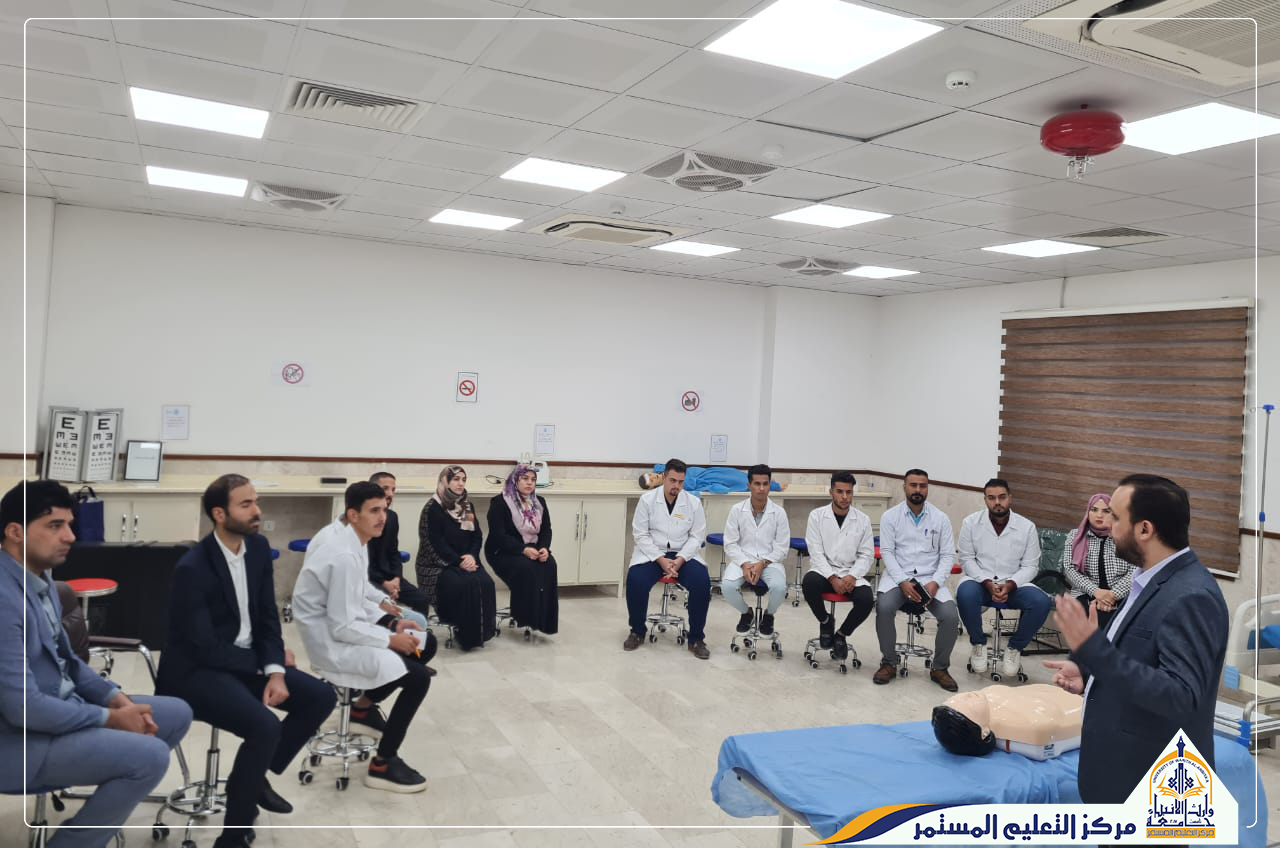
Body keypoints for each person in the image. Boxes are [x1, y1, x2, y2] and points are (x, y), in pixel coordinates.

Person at [0, 481, 192, 848]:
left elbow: (68, 663)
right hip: (17, 741)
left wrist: (115, 699)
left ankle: (101, 816)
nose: (70, 537)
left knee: (175, 713)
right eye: (55, 526)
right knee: (150, 756)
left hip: (56, 713)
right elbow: (22, 708)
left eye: (69, 525)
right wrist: (109, 718)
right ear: (15, 532)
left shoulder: (40, 578)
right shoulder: (4, 599)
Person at [157, 475, 335, 848]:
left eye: (256, 501)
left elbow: (267, 617)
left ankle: (251, 780)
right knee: (264, 727)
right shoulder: (193, 568)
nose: (257, 510)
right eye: (246, 504)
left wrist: (275, 668)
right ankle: (233, 838)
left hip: (243, 660)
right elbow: (205, 648)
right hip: (196, 672)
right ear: (219, 514)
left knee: (320, 697)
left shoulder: (256, 548)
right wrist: (267, 667)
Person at [1045, 474, 1229, 804]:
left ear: (1144, 529)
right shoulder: (1149, 580)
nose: (1107, 525)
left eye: (1116, 517)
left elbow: (1180, 696)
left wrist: (1094, 650)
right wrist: (1091, 673)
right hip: (1120, 776)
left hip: (1156, 789)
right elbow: (1142, 660)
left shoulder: (1190, 595)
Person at [294, 482, 435, 792]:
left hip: (343, 626)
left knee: (423, 645)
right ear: (353, 514)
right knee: (418, 678)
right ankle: (383, 763)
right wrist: (390, 639)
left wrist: (390, 617)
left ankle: (363, 707)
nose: (382, 517)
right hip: (332, 642)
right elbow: (342, 626)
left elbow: (356, 594)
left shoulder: (353, 538)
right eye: (374, 510)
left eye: (384, 509)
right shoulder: (342, 552)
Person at [874, 469, 961, 691]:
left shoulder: (940, 518)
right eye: (913, 485)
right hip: (898, 578)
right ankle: (889, 663)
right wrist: (902, 581)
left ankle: (940, 668)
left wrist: (935, 582)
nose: (918, 490)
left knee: (951, 616)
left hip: (930, 579)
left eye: (922, 486)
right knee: (883, 607)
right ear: (904, 487)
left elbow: (947, 556)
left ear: (927, 488)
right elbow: (887, 552)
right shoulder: (890, 517)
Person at [956, 478, 1048, 679]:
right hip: (980, 582)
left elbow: (1031, 566)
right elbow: (966, 559)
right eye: (991, 498)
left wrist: (1010, 584)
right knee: (965, 594)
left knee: (1041, 602)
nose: (997, 502)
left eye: (1002, 497)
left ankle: (1015, 648)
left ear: (1010, 498)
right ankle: (978, 644)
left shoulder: (1027, 527)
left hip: (1015, 584)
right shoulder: (970, 523)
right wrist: (986, 582)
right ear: (985, 500)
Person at [624, 458, 712, 659]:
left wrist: (680, 559)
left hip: (683, 554)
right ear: (663, 478)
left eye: (680, 482)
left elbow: (697, 537)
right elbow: (640, 534)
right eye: (672, 481)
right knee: (636, 580)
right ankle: (637, 631)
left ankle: (696, 638)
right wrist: (660, 559)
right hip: (652, 553)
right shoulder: (647, 500)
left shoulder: (693, 503)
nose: (676, 486)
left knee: (701, 582)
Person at [801, 471, 875, 661]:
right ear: (831, 492)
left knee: (867, 599)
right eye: (840, 491)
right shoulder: (817, 516)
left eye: (848, 492)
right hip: (824, 572)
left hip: (851, 573)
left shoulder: (863, 520)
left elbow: (866, 554)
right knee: (809, 583)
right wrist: (832, 578)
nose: (844, 497)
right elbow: (816, 552)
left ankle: (841, 634)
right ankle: (826, 621)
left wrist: (852, 576)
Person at [422, 465, 496, 651]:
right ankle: (464, 634)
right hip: (439, 563)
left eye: (463, 479)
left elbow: (476, 536)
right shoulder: (433, 508)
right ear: (445, 481)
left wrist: (471, 556)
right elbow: (435, 543)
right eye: (455, 479)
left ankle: (482, 634)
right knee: (464, 584)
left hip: (467, 560)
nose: (460, 483)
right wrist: (459, 561)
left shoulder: (465, 506)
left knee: (486, 583)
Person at [485, 464, 559, 636]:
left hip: (532, 547)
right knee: (527, 568)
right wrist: (522, 550)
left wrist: (544, 548)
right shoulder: (500, 502)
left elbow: (546, 530)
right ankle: (526, 617)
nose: (530, 483)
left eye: (533, 479)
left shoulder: (539, 503)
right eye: (525, 479)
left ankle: (544, 621)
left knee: (550, 564)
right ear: (515, 480)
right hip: (502, 551)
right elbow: (498, 535)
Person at [721, 464, 789, 636]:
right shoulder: (737, 510)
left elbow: (782, 547)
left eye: (765, 484)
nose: (761, 488)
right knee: (727, 587)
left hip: (770, 562)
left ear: (769, 485)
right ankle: (746, 613)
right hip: (742, 559)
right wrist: (744, 564)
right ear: (749, 485)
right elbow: (730, 543)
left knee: (779, 588)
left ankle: (769, 615)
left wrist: (762, 563)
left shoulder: (779, 513)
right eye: (757, 484)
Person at [1061, 493, 1135, 632]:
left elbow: (1135, 570)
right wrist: (1095, 592)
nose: (1099, 515)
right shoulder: (1076, 536)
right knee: (1086, 619)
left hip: (1122, 593)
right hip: (1085, 592)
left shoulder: (1126, 537)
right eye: (1094, 510)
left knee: (1115, 621)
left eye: (1106, 511)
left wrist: (1112, 595)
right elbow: (1070, 569)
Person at [366, 472, 431, 622]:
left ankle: (417, 635)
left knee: (422, 599)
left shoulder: (392, 517)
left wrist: (396, 578)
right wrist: (385, 584)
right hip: (368, 579)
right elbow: (362, 563)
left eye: (393, 490)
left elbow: (394, 553)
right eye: (385, 488)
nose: (390, 494)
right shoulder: (361, 518)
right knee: (384, 605)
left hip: (391, 577)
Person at [639, 464, 786, 495]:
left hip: (710, 472)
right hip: (709, 481)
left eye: (651, 475)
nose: (654, 477)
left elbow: (658, 466)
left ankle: (771, 483)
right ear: (653, 487)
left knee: (735, 474)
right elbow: (691, 491)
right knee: (741, 483)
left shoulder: (664, 469)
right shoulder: (671, 487)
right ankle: (774, 486)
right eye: (652, 481)